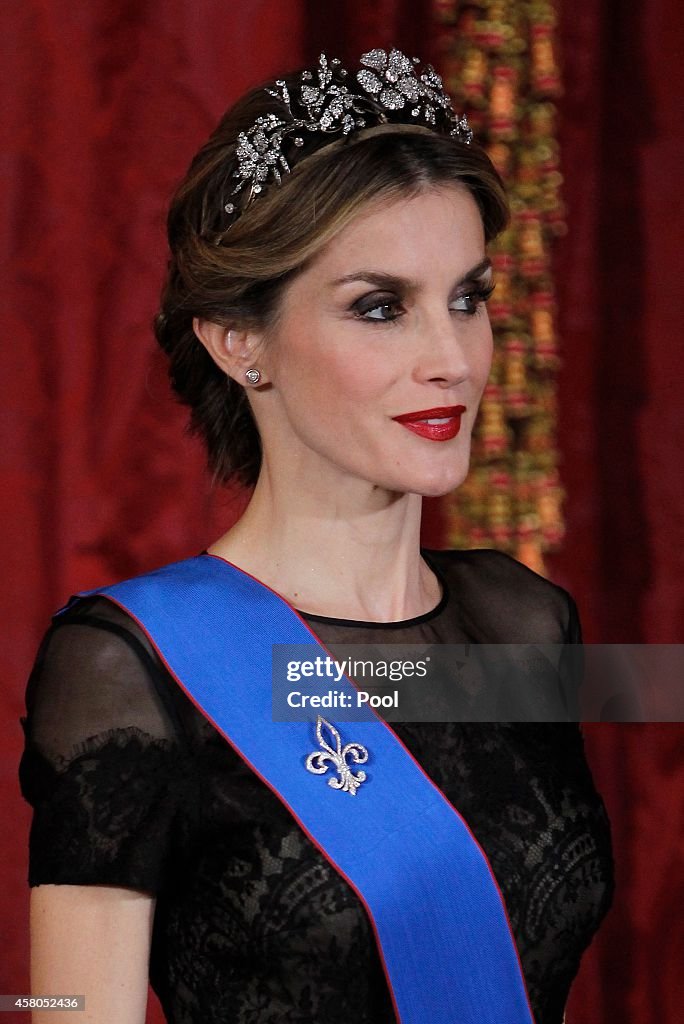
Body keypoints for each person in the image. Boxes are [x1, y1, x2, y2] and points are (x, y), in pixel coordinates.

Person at [20, 49, 614, 1024]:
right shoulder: (129, 671)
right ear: (237, 340)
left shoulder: (525, 623)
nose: (452, 359)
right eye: (381, 307)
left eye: (468, 297)